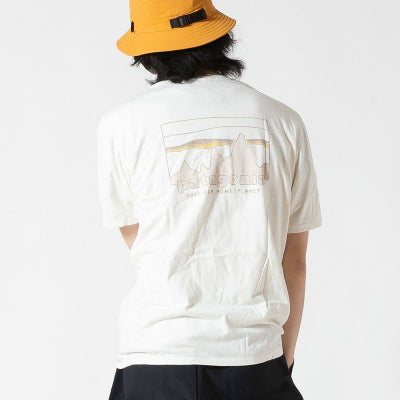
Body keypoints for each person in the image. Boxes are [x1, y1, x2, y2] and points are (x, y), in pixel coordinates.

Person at [97, 1, 322, 399]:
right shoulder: (284, 121)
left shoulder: (121, 125)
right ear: (217, 35)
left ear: (146, 50)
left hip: (156, 356)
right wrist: (282, 361)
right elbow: (295, 259)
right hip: (255, 358)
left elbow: (139, 239)